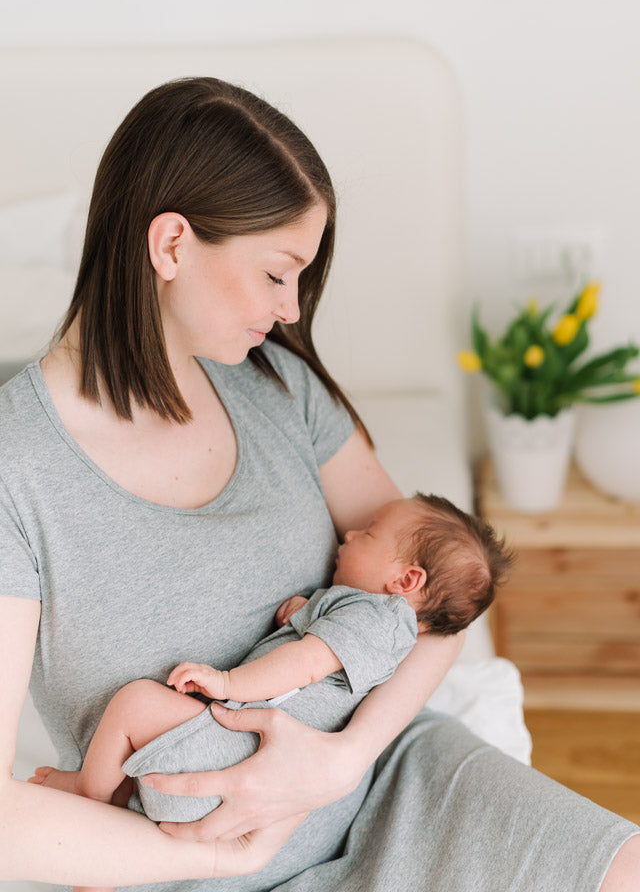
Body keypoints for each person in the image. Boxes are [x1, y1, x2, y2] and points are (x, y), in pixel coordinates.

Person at [1, 76, 638, 892]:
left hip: (389, 786)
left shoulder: (278, 389)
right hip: (202, 865)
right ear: (170, 245)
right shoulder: (16, 468)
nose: (293, 310)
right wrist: (211, 853)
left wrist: (342, 757)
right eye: (276, 273)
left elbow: (441, 594)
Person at [30, 492, 512, 843]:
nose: (349, 534)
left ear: (405, 579)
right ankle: (107, 837)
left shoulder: (379, 616)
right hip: (236, 780)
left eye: (367, 535)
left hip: (232, 751)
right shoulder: (382, 627)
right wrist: (306, 613)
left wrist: (226, 681)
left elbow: (304, 665)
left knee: (135, 702)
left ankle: (91, 790)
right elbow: (322, 650)